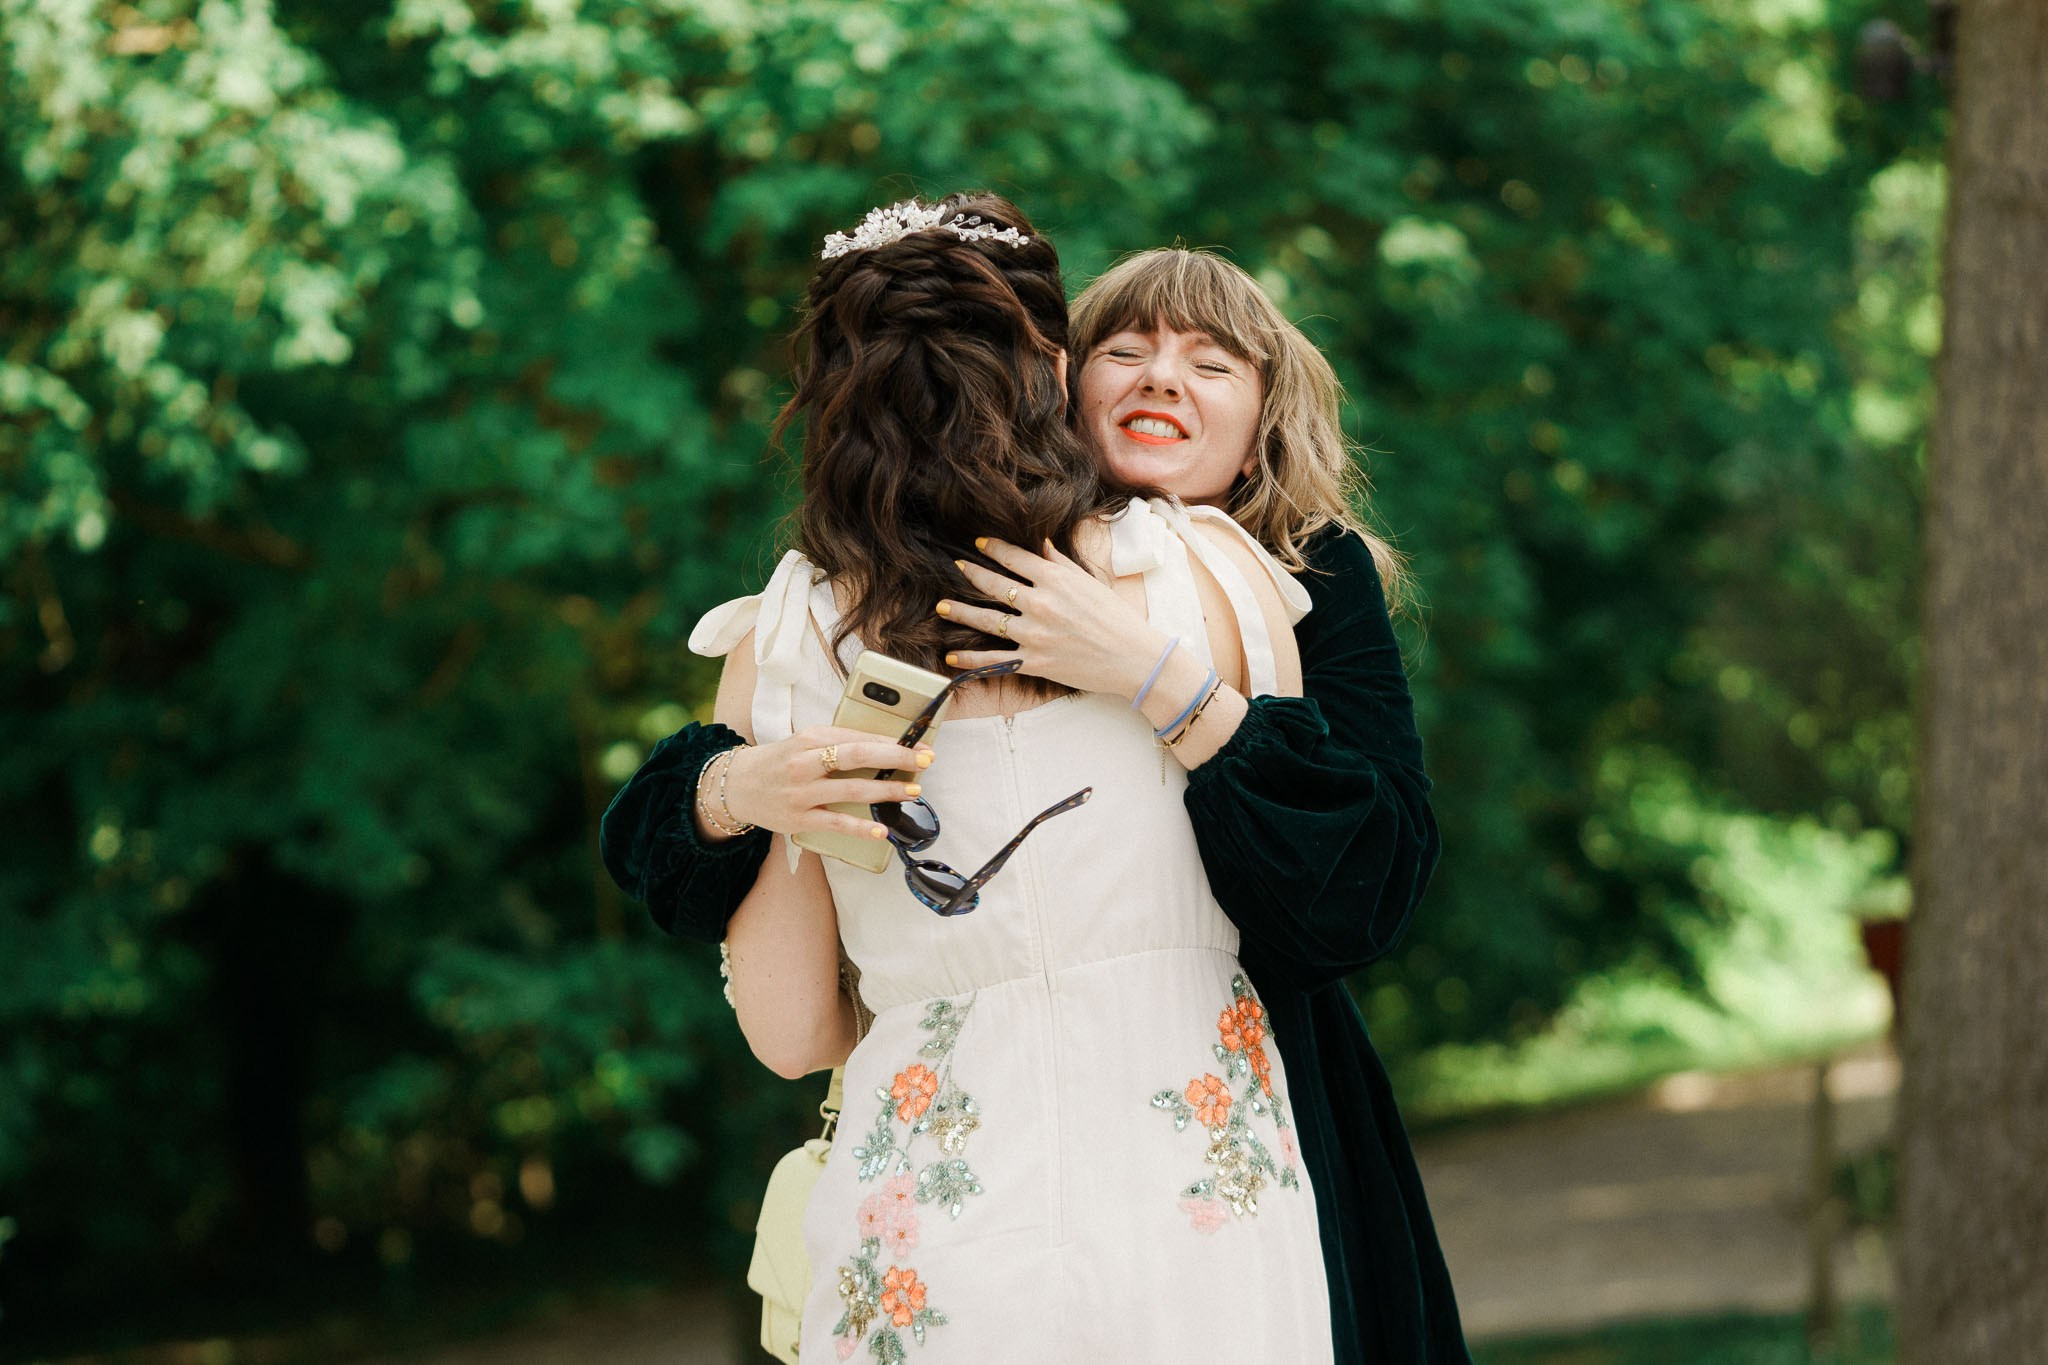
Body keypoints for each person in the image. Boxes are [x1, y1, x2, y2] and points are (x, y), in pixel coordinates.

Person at [602, 244, 1470, 1360]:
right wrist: (736, 787)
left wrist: (1147, 672)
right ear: (1057, 385)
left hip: (1266, 1077)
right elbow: (697, 847)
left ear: (1263, 418)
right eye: (1127, 349)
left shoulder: (1302, 572)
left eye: (1211, 362)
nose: (1163, 376)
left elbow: (1371, 873)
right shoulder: (879, 605)